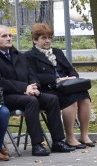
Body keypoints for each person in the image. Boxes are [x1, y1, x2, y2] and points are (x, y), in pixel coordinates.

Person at [0, 25, 69, 156]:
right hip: (6, 96)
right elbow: (2, 82)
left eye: (10, 35)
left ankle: (58, 142)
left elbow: (32, 75)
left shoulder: (19, 55)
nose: (9, 38)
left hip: (27, 93)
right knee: (31, 101)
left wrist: (34, 86)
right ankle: (37, 144)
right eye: (4, 36)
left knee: (52, 99)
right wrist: (24, 88)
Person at [25, 23, 94, 149]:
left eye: (49, 38)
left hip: (66, 86)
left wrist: (72, 77)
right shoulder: (29, 56)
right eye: (43, 38)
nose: (48, 41)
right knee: (71, 99)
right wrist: (57, 79)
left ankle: (84, 135)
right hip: (49, 89)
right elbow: (34, 77)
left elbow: (71, 70)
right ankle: (70, 137)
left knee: (84, 96)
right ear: (35, 40)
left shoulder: (57, 52)